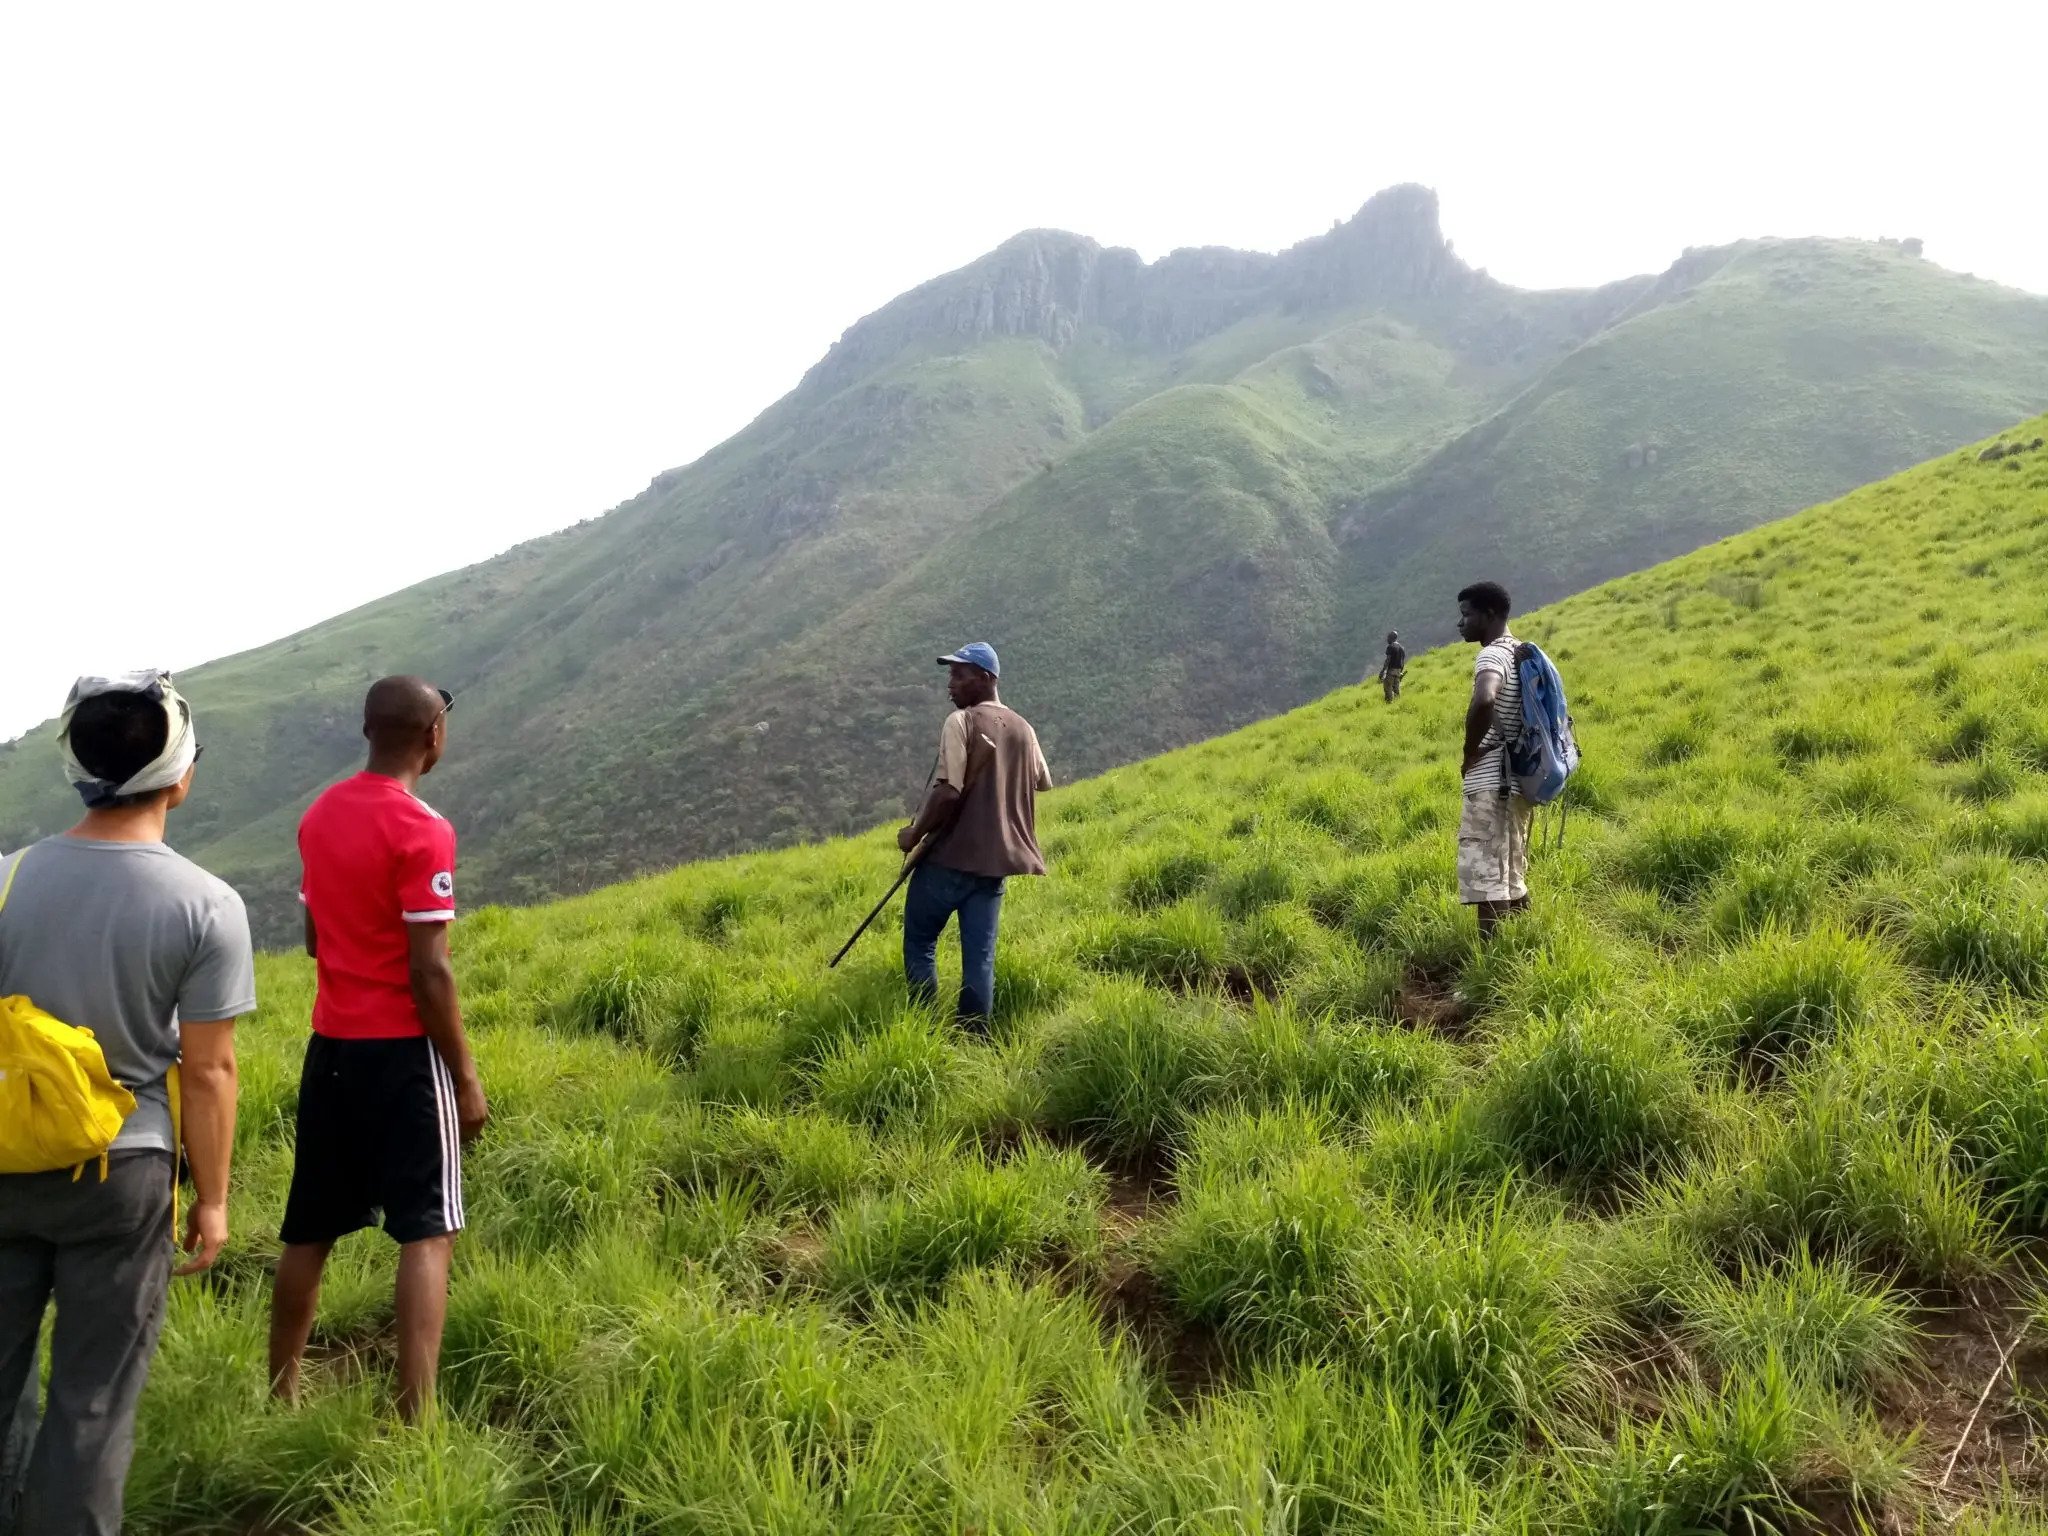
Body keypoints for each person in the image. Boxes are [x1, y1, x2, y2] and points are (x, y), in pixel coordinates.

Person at [0, 672, 252, 1536]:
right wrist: (212, 1199)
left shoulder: (6, 878)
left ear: (75, 766)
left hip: (1, 1161)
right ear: (181, 776)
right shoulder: (206, 906)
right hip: (123, 1168)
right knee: (93, 1403)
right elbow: (210, 1072)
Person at [268, 676, 487, 1424]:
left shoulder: (320, 814)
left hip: (330, 1048)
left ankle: (282, 1394)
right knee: (429, 1230)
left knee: (311, 1228)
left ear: (368, 731)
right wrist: (464, 1078)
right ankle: (415, 1417)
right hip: (403, 1057)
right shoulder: (425, 828)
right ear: (432, 737)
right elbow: (430, 969)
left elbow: (312, 940)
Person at [895, 642, 1053, 1029]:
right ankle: (973, 1039)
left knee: (920, 942)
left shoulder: (961, 722)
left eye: (959, 675)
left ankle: (924, 1028)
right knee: (979, 959)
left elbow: (948, 791)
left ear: (985, 679)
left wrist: (914, 834)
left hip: (947, 860)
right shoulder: (1024, 728)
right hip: (993, 868)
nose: (951, 684)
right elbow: (1043, 782)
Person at [1455, 582, 1533, 941]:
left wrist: (1470, 753)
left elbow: (1484, 701)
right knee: (1511, 877)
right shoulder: (1521, 653)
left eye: (1467, 614)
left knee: (1488, 884)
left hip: (1492, 783)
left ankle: (1490, 974)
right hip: (1518, 783)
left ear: (1489, 615)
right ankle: (1525, 951)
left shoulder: (1491, 656)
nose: (1461, 623)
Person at [1376, 630, 1407, 702]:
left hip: (1391, 671)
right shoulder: (1401, 648)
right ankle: (1397, 703)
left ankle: (1389, 703)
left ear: (1392, 638)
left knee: (1387, 687)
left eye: (1388, 637)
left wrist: (1383, 671)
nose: (1387, 639)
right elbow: (1402, 661)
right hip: (1398, 671)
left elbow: (1388, 660)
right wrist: (1401, 672)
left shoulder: (1391, 646)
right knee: (1396, 689)